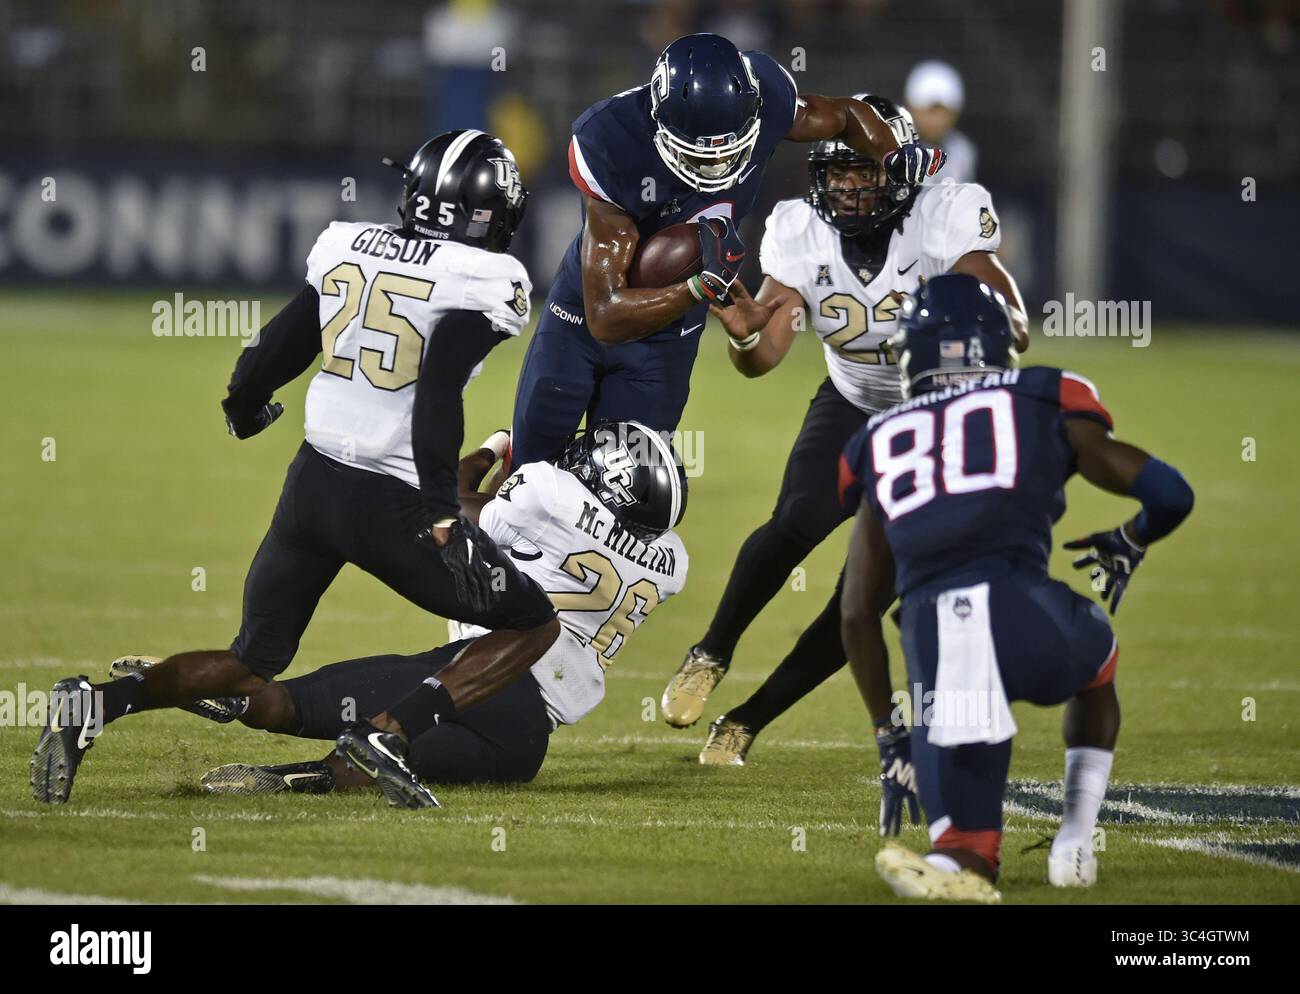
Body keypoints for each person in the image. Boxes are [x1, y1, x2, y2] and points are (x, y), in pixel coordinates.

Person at [31, 130, 562, 805]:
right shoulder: (486, 276)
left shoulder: (351, 243)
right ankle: (389, 734)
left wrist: (245, 402)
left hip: (311, 485)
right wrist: (439, 514)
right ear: (486, 212)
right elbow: (436, 391)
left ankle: (98, 705)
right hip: (391, 501)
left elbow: (282, 342)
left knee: (250, 662)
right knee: (531, 622)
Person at [658, 96, 1028, 762]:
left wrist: (976, 320)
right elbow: (765, 352)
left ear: (902, 171)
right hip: (853, 402)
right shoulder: (800, 229)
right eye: (838, 173)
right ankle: (710, 651)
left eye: (865, 172)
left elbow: (1011, 315)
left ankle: (746, 721)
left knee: (863, 594)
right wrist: (745, 339)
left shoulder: (943, 216)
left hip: (930, 426)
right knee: (793, 523)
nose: (851, 187)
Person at [839, 274, 1194, 901]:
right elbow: (1171, 494)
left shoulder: (877, 440)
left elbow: (856, 614)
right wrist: (1131, 538)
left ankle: (957, 866)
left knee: (963, 849)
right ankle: (1075, 838)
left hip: (938, 651)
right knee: (1098, 665)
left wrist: (888, 735)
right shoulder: (1043, 393)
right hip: (1026, 618)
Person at [510, 33, 946, 469]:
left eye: (730, 145)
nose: (717, 161)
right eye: (700, 153)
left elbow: (846, 114)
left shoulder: (769, 95)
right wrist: (700, 287)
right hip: (583, 318)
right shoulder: (610, 138)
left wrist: (892, 154)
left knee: (622, 491)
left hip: (669, 334)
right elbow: (604, 315)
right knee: (531, 474)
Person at [195, 422, 689, 807]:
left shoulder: (549, 495)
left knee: (293, 703)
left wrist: (495, 446)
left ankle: (220, 691)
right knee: (376, 756)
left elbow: (444, 504)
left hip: (486, 676)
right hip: (522, 745)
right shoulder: (673, 563)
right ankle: (315, 775)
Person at [904, 60, 977, 184]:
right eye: (930, 111)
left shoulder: (962, 151)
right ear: (911, 106)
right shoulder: (889, 148)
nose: (937, 119)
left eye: (944, 111)